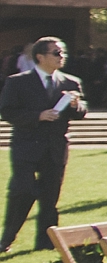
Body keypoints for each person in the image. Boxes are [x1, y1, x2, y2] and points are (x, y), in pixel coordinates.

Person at [1, 37, 86, 251]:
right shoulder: (18, 81)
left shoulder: (70, 83)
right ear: (40, 57)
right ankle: (7, 238)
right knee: (22, 191)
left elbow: (81, 113)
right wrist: (38, 116)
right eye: (56, 53)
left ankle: (46, 243)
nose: (61, 57)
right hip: (27, 146)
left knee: (50, 197)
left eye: (63, 53)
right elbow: (8, 111)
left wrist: (76, 105)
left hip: (55, 147)